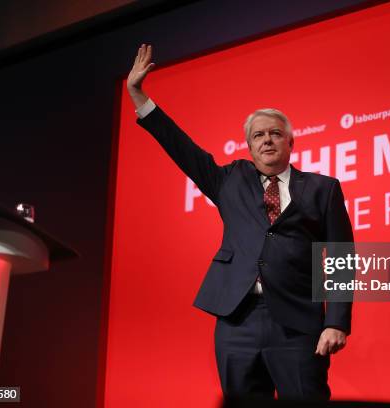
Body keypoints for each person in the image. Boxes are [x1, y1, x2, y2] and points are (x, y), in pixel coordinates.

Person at [127, 44, 354, 400]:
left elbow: (342, 257)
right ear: (249, 146)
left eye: (275, 133)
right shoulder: (230, 180)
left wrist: (337, 321)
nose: (267, 140)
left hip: (297, 322)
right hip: (237, 321)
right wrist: (138, 95)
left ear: (291, 142)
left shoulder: (323, 189)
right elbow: (181, 148)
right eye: (258, 135)